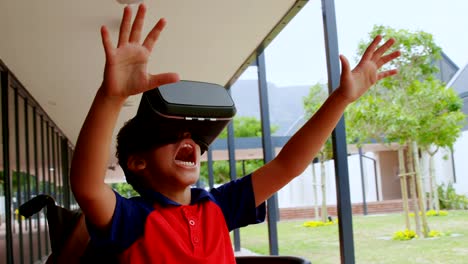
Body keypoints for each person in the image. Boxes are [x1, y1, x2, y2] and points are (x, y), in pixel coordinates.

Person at [70, 3, 400, 263]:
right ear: (138, 162)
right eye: (170, 133)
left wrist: (341, 98)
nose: (189, 140)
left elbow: (287, 165)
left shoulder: (217, 206)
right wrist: (111, 97)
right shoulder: (130, 218)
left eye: (194, 137)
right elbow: (87, 187)